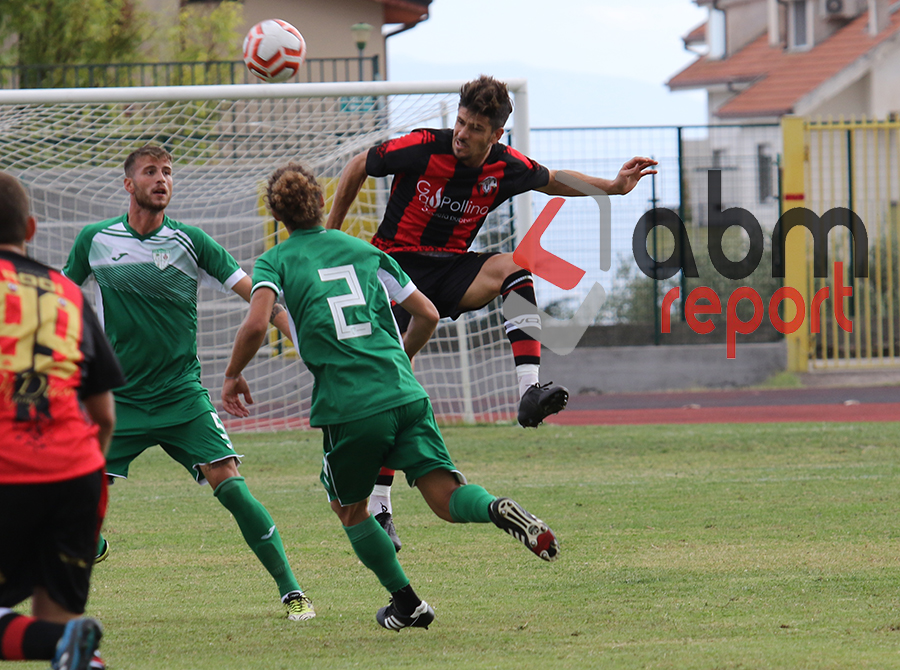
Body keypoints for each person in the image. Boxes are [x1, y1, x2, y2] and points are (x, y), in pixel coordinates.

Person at [221, 162, 560, 631]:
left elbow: (258, 322)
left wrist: (233, 374)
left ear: (277, 215)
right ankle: (494, 507)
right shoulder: (366, 251)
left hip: (351, 405)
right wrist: (401, 357)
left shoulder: (275, 261)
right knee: (447, 499)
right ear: (322, 202)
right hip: (404, 390)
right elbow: (427, 314)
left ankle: (407, 604)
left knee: (348, 507)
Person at [325, 74, 658, 547]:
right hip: (394, 271)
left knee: (514, 267)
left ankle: (528, 392)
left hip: (451, 271)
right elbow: (360, 163)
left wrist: (613, 186)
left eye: (476, 128)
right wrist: (328, 237)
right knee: (393, 388)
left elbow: (554, 179)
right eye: (461, 122)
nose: (463, 134)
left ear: (496, 135)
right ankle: (380, 504)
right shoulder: (422, 147)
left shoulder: (505, 166)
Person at [61, 145, 315, 622]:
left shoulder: (191, 241)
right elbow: (56, 300)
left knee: (234, 488)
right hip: (118, 401)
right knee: (69, 494)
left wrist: (303, 337)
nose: (162, 180)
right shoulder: (95, 240)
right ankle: (86, 549)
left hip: (182, 396)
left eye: (168, 173)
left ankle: (292, 592)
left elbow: (260, 299)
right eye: (151, 172)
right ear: (128, 184)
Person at [0, 172, 126, 670]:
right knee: (58, 626)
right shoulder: (65, 292)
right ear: (30, 228)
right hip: (76, 473)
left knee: (50, 640)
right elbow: (104, 415)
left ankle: (60, 646)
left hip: (7, 471)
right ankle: (71, 650)